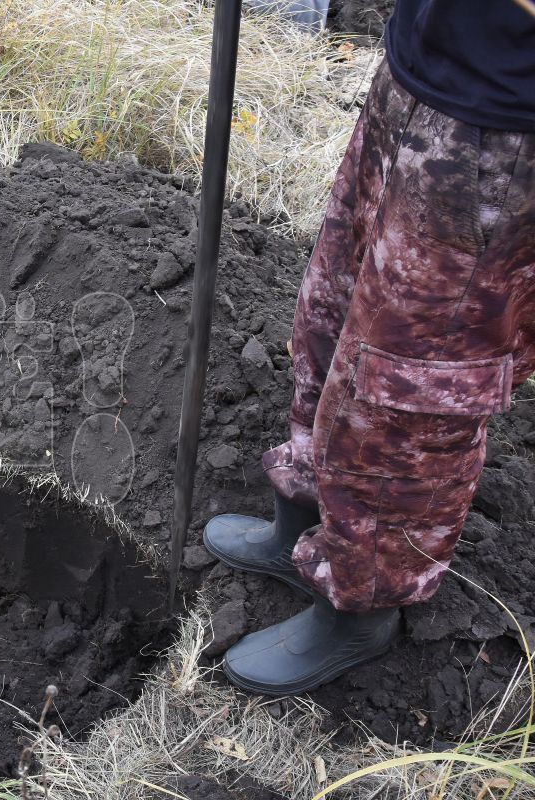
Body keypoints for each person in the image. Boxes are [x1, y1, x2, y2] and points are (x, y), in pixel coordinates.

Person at [203, 0, 535, 695]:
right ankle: (303, 519)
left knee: (406, 395)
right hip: (418, 79)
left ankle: (359, 607)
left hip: (504, 142)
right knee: (332, 314)